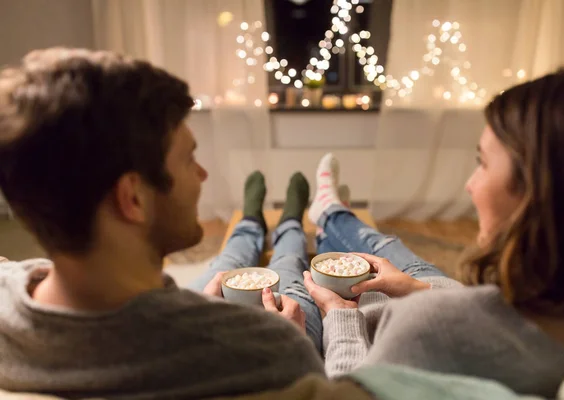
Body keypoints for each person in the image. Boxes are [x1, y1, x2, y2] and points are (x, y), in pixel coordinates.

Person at [0, 48, 324, 399]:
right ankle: (286, 222)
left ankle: (252, 221)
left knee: (225, 267)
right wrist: (279, 334)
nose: (202, 174)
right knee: (284, 273)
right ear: (134, 198)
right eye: (188, 160)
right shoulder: (267, 352)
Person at [303, 69, 564, 398]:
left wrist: (339, 316)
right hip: (441, 296)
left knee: (380, 250)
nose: (469, 185)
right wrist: (417, 288)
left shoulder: (428, 328)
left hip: (394, 319)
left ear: (539, 194)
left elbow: (350, 389)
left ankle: (328, 214)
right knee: (386, 255)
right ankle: (330, 215)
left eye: (482, 162)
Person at [189, 170, 324, 352]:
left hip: (201, 324)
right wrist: (288, 340)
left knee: (228, 262)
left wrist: (206, 313)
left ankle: (251, 221)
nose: (203, 173)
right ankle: (290, 222)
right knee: (288, 263)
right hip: (279, 347)